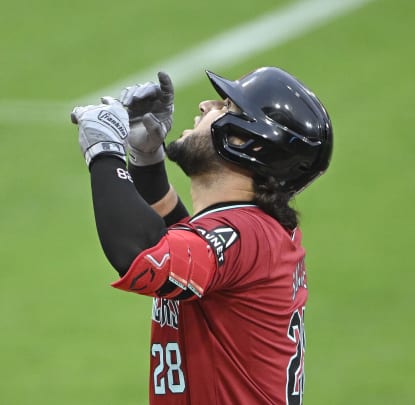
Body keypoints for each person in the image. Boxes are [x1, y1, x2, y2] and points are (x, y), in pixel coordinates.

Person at [70, 66, 333, 404]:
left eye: (226, 107)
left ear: (244, 141)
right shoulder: (254, 230)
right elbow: (180, 242)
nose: (206, 105)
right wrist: (147, 157)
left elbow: (142, 254)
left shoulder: (245, 234)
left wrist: (104, 151)